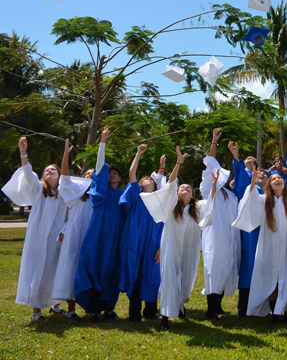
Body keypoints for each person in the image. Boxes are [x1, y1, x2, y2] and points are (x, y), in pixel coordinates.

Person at [3, 137, 89, 320]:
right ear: (43, 176)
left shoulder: (65, 194)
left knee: (57, 271)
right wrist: (23, 152)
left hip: (58, 240)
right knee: (37, 271)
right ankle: (36, 312)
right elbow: (27, 172)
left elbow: (70, 217)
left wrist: (64, 232)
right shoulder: (38, 190)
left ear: (59, 175)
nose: (50, 171)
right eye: (47, 170)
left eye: (53, 169)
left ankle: (57, 305)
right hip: (38, 238)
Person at [232, 154, 287, 322]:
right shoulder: (264, 201)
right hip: (269, 244)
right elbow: (249, 202)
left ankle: (285, 312)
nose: (277, 179)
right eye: (274, 178)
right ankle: (273, 311)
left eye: (280, 178)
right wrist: (253, 182)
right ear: (269, 184)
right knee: (271, 277)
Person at [141, 146, 216, 331]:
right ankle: (165, 317)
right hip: (170, 247)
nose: (186, 188)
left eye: (189, 188)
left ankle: (180, 306)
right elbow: (172, 182)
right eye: (183, 187)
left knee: (187, 278)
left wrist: (214, 185)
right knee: (169, 278)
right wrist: (178, 162)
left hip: (189, 249)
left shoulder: (196, 210)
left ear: (192, 196)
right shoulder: (170, 206)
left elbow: (211, 204)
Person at [74, 127, 126, 321]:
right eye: (109, 172)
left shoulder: (123, 195)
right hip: (96, 237)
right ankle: (94, 308)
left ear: (120, 178)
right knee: (93, 267)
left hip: (114, 240)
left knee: (111, 270)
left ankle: (109, 308)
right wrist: (102, 142)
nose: (111, 174)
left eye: (115, 173)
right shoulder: (100, 193)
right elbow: (100, 167)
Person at [119, 145, 164, 322]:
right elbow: (132, 174)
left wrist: (160, 246)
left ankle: (151, 311)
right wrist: (138, 153)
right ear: (140, 184)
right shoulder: (135, 196)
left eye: (151, 180)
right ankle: (134, 312)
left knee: (152, 274)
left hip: (152, 242)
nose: (149, 180)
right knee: (135, 274)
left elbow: (163, 225)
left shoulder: (158, 201)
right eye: (145, 179)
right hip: (134, 241)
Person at [200, 128, 241, 319]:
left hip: (230, 237)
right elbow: (209, 165)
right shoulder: (209, 189)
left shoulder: (231, 195)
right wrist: (214, 142)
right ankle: (211, 308)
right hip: (215, 236)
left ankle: (218, 306)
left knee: (226, 268)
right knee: (214, 268)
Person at [227, 140, 267, 317]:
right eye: (247, 160)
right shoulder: (243, 178)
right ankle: (244, 306)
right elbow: (240, 169)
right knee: (248, 261)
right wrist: (236, 156)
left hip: (262, 226)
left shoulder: (262, 186)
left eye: (253, 160)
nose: (250, 160)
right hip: (247, 227)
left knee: (261, 260)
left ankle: (260, 303)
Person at [51, 166, 94, 319]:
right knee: (70, 268)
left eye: (93, 174)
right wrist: (64, 230)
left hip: (90, 238)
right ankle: (71, 309)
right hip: (74, 235)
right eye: (88, 173)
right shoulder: (76, 194)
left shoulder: (99, 196)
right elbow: (70, 216)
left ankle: (92, 307)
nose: (90, 175)